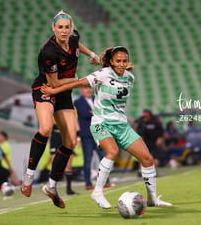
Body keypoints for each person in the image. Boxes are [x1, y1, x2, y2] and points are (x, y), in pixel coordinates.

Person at [41, 46, 172, 209]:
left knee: (147, 159)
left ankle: (152, 199)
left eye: (124, 61)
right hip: (101, 123)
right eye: (118, 61)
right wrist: (54, 90)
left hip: (122, 126)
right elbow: (78, 83)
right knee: (112, 152)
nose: (122, 64)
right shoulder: (102, 75)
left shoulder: (130, 78)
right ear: (111, 61)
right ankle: (97, 192)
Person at [20, 11, 100, 209]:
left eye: (67, 27)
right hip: (46, 88)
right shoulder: (49, 52)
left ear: (70, 28)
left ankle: (51, 186)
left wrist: (91, 54)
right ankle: (29, 175)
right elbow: (54, 83)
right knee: (46, 128)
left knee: (71, 142)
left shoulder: (72, 37)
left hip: (63, 92)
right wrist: (78, 80)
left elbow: (76, 46)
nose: (64, 31)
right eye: (60, 27)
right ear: (53, 29)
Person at [74, 86, 111, 190]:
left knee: (104, 158)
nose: (88, 90)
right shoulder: (78, 102)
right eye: (85, 88)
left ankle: (106, 181)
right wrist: (96, 112)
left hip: (99, 133)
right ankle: (88, 183)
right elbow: (85, 114)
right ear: (81, 90)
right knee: (87, 160)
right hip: (86, 135)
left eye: (89, 88)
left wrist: (94, 112)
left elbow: (103, 113)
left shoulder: (97, 99)